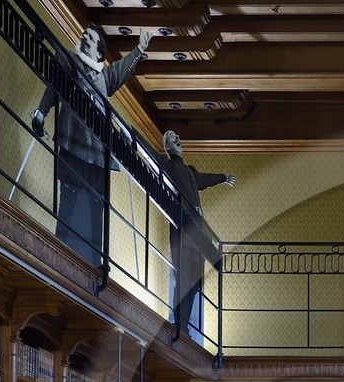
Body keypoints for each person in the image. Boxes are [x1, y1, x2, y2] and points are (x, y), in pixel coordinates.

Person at [32, 26, 154, 264]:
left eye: (90, 36)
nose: (83, 36)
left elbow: (123, 68)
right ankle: (59, 249)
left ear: (99, 48)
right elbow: (54, 87)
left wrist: (139, 49)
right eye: (84, 34)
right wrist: (41, 113)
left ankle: (97, 261)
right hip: (72, 140)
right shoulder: (69, 61)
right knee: (67, 198)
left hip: (98, 151)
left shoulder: (105, 76)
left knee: (97, 205)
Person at [160, 129, 234, 341]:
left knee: (195, 279)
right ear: (167, 147)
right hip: (183, 225)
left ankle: (181, 324)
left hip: (197, 226)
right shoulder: (167, 166)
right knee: (184, 276)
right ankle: (179, 325)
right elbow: (150, 156)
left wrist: (223, 178)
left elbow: (204, 179)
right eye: (174, 139)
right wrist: (132, 135)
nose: (178, 140)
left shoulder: (190, 171)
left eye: (179, 138)